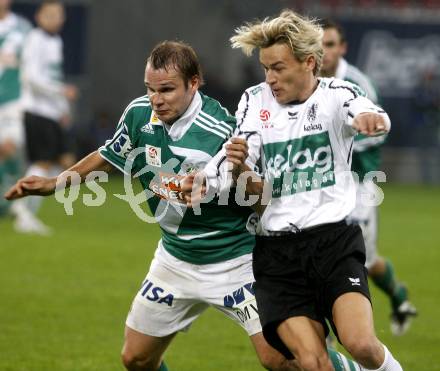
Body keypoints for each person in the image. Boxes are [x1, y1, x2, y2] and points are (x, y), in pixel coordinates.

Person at [4, 40, 363, 371]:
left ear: (194, 84)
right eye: (150, 89)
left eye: (166, 90)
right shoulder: (139, 115)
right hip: (175, 260)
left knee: (280, 359)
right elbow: (108, 155)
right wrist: (54, 183)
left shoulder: (225, 129)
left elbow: (261, 198)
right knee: (136, 358)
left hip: (236, 261)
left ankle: (352, 367)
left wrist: (236, 172)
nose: (156, 99)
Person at [195, 10, 402, 371]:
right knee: (312, 362)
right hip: (278, 255)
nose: (270, 78)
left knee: (362, 345)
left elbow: (368, 111)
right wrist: (201, 182)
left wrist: (373, 120)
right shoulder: (254, 101)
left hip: (334, 244)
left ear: (309, 63)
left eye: (278, 68)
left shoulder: (337, 95)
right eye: (265, 69)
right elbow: (235, 150)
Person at [320, 18, 417, 336]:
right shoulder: (308, 80)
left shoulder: (359, 84)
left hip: (358, 184)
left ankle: (396, 298)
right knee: (320, 253)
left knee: (363, 261)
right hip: (321, 185)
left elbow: (377, 132)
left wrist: (338, 143)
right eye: (319, 44)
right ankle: (325, 332)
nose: (325, 51)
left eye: (331, 44)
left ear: (342, 47)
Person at [13, 0, 78, 234]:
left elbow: (53, 78)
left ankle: (25, 211)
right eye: (50, 14)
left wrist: (62, 110)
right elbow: (31, 77)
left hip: (51, 112)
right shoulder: (35, 40)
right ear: (39, 16)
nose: (56, 19)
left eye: (59, 15)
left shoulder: (56, 41)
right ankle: (23, 213)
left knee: (55, 163)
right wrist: (61, 92)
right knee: (42, 163)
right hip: (36, 111)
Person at [0, 0, 31, 216]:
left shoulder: (22, 28)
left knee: (9, 147)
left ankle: (17, 203)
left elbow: (31, 64)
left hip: (13, 99)